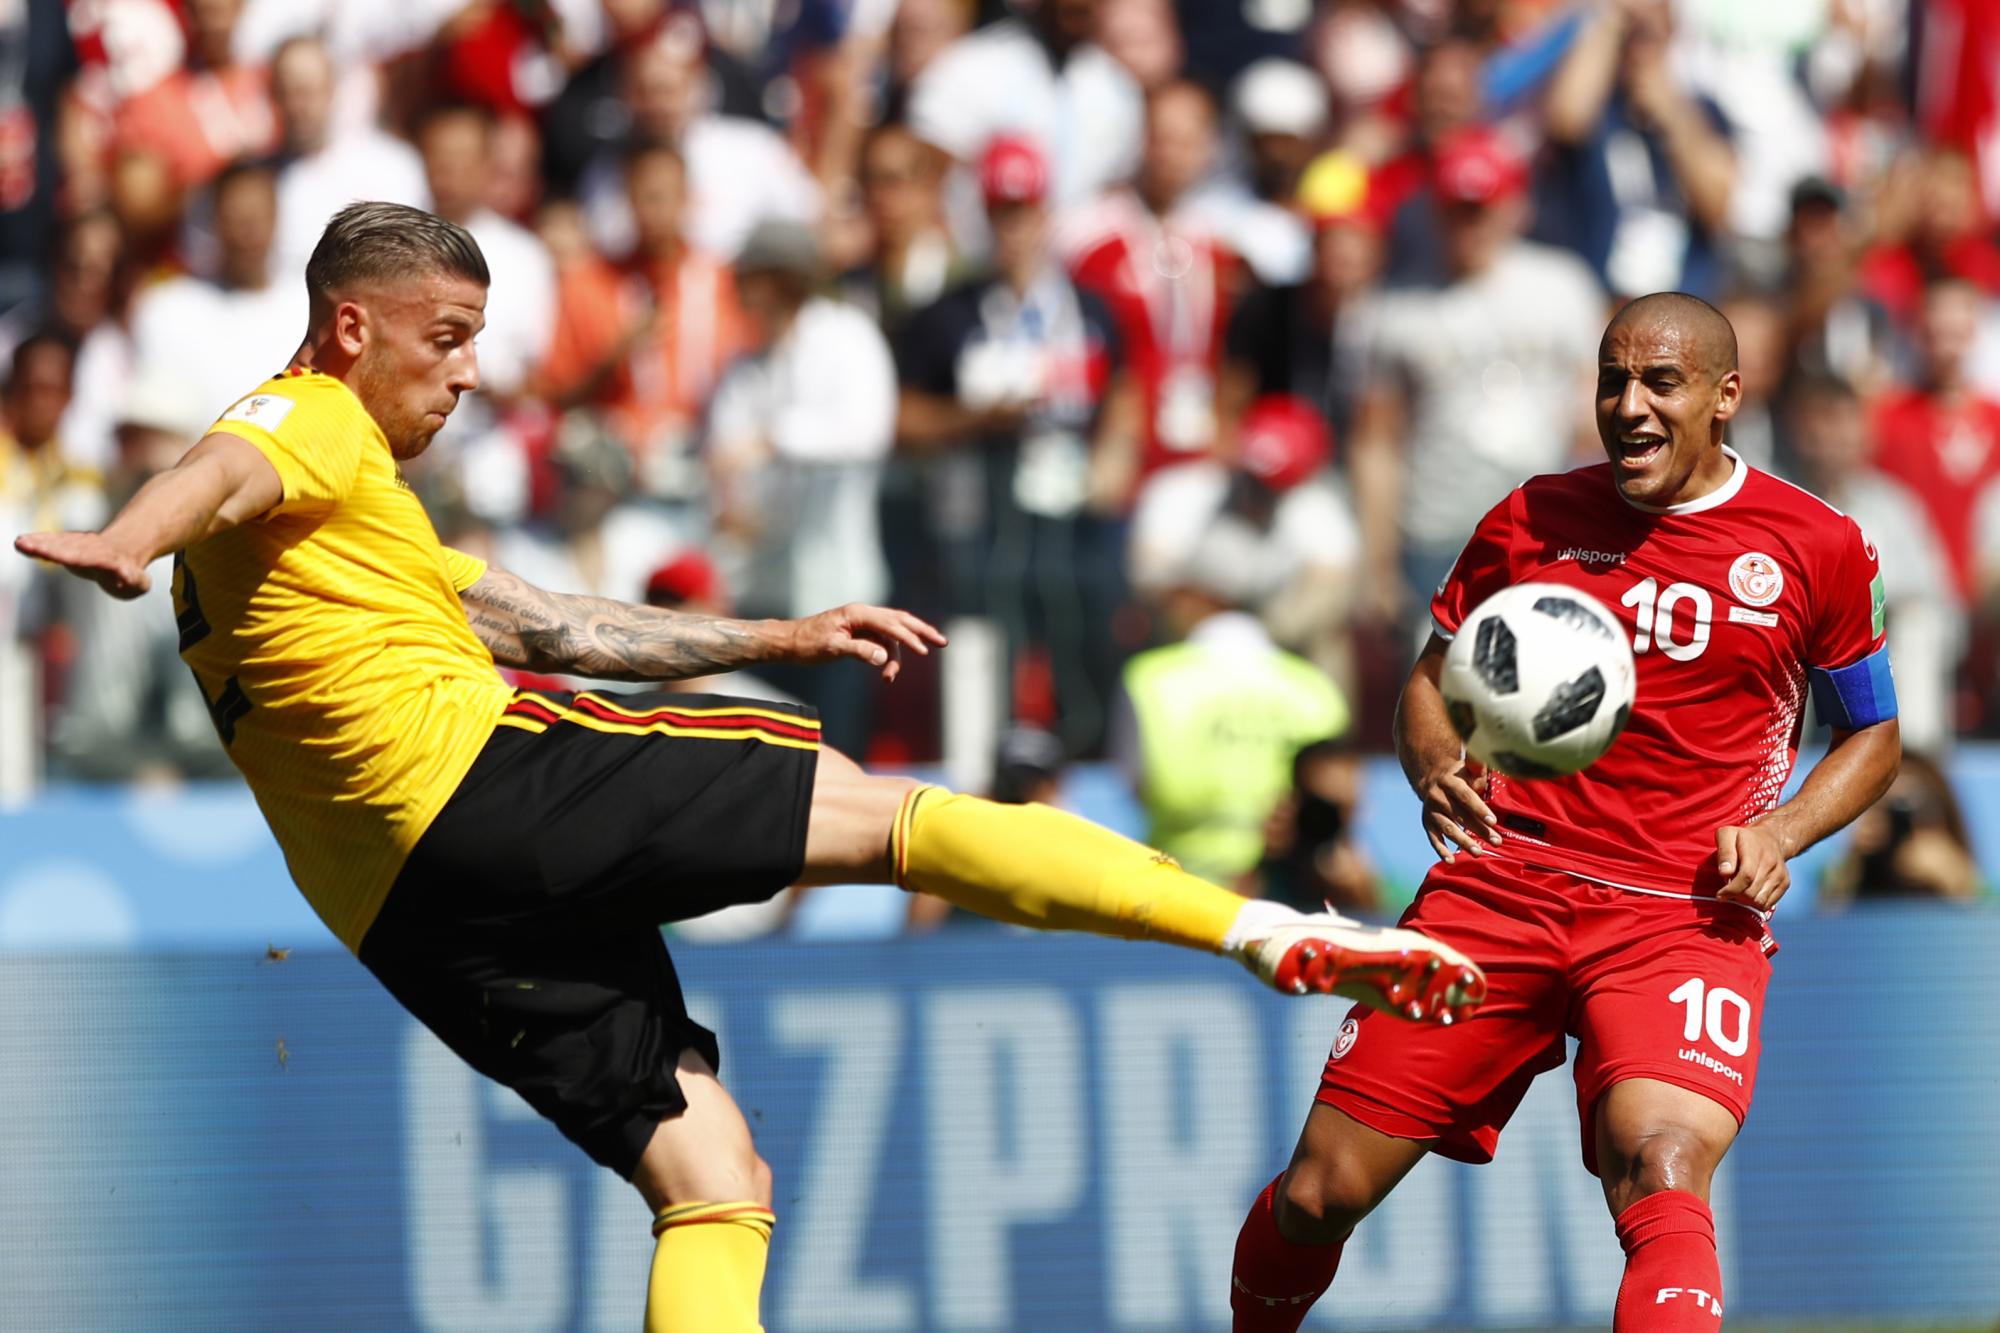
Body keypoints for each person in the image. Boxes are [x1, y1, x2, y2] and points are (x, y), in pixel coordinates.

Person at [14, 201, 1484, 1333]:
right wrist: (125, 539)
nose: (469, 371)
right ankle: (1266, 930)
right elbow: (223, 458)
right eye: (445, 335)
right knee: (897, 818)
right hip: (478, 777)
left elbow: (557, 620)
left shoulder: (347, 531)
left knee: (710, 1174)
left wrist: (777, 632)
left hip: (401, 906)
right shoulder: (307, 420)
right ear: (349, 328)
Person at [1229, 293, 1901, 1332]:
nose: (1627, 406)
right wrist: (1431, 757)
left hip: (1681, 909)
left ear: (1725, 396)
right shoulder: (1529, 516)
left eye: (1658, 383)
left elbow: (1873, 735)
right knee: (1321, 1191)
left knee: (1659, 1161)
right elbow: (1429, 673)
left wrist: (1777, 833)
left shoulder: (1815, 543)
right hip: (1498, 885)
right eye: (1610, 380)